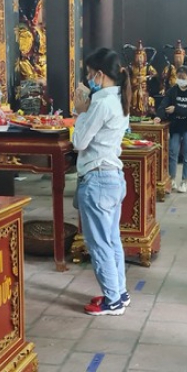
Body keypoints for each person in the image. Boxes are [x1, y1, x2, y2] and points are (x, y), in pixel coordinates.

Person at [72, 47, 132, 316]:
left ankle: (112, 301)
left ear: (99, 73)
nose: (89, 81)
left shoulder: (100, 102)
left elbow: (79, 142)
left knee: (99, 243)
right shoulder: (120, 97)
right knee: (111, 239)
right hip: (113, 177)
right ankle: (119, 292)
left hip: (97, 179)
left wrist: (80, 111)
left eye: (89, 75)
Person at [155, 66, 187, 193]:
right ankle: (172, 179)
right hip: (175, 126)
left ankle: (184, 181)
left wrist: (177, 109)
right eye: (178, 77)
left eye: (183, 78)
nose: (180, 80)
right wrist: (159, 116)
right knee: (172, 153)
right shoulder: (172, 91)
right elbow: (164, 105)